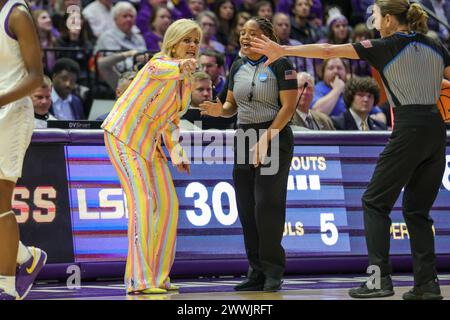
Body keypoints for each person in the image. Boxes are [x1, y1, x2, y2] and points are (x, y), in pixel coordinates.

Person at [251, 0, 449, 300]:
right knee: (417, 210)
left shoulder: (385, 45)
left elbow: (329, 50)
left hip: (408, 126)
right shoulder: (436, 46)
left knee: (374, 202)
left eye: (378, 15)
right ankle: (428, 284)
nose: (374, 20)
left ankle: (378, 280)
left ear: (390, 20)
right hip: (437, 130)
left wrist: (283, 51)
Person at [102, 19, 200, 295]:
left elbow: (170, 121)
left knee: (169, 206)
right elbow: (161, 69)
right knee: (143, 203)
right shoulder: (159, 63)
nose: (192, 46)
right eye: (187, 40)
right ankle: (138, 280)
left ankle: (159, 277)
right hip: (124, 136)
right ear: (173, 42)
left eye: (196, 41)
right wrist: (180, 66)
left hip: (151, 145)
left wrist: (177, 151)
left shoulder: (185, 82)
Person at [199, 16, 298, 292]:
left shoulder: (282, 64)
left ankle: (273, 271)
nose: (244, 37)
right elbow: (231, 105)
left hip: (274, 136)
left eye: (251, 33)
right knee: (246, 207)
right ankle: (255, 271)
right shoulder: (238, 65)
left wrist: (267, 137)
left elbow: (288, 109)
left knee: (268, 206)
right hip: (244, 136)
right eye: (242, 33)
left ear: (267, 37)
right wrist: (221, 111)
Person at [0, 0, 47, 300]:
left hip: (12, 111)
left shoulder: (16, 13)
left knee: (1, 199)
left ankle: (5, 281)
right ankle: (27, 259)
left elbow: (36, 77)